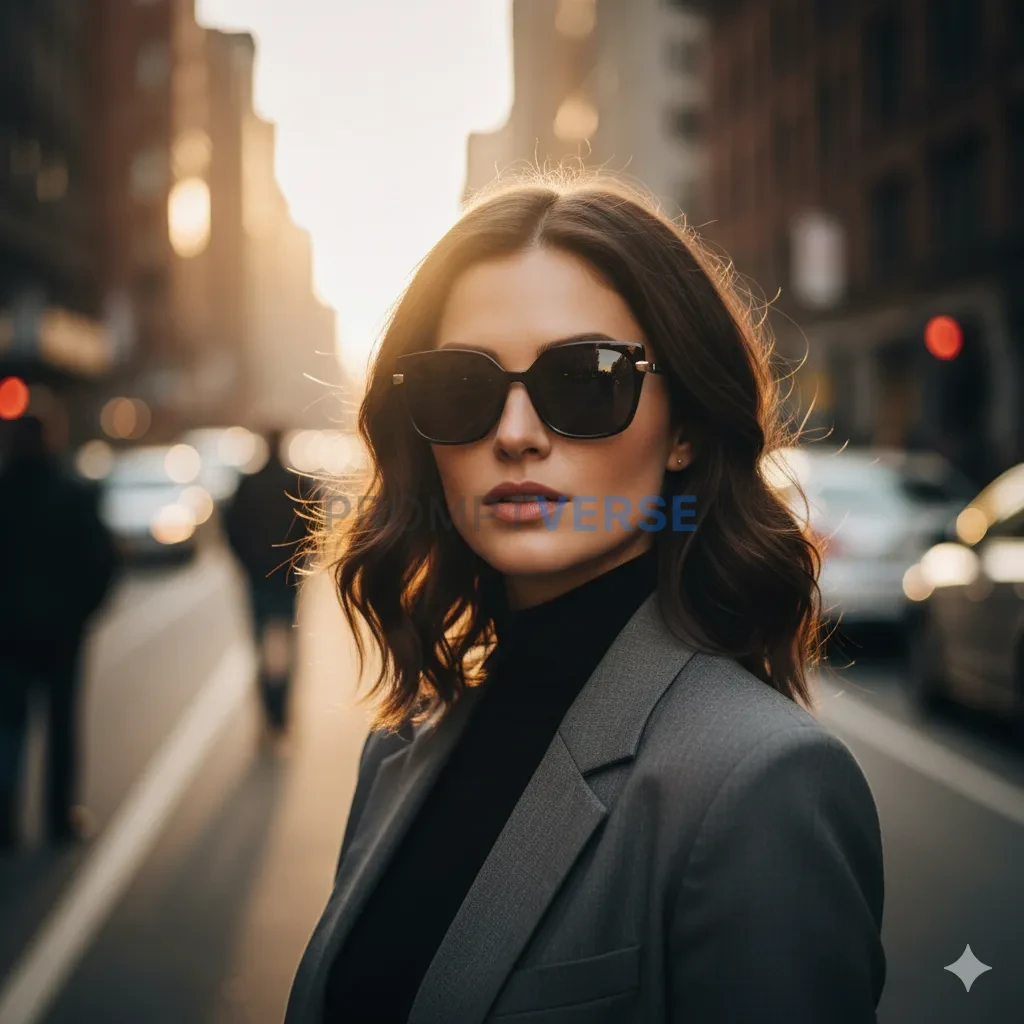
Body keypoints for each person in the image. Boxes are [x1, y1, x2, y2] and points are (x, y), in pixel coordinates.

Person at [284, 179, 886, 1023]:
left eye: (586, 378)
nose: (517, 433)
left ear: (683, 431)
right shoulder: (400, 749)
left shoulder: (761, 783)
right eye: (461, 386)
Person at [0, 415, 119, 849]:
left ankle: (4, 821)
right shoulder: (72, 493)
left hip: (9, 637)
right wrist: (81, 615)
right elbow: (102, 562)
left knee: (9, 728)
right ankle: (58, 819)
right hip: (61, 636)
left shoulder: (5, 494)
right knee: (60, 729)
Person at [223, 426, 308, 736]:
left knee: (261, 646)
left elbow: (231, 528)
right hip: (287, 578)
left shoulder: (248, 484)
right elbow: (313, 527)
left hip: (258, 577)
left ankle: (269, 712)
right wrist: (299, 562)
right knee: (287, 644)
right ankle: (281, 711)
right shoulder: (297, 483)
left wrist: (246, 564)